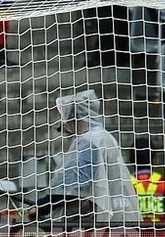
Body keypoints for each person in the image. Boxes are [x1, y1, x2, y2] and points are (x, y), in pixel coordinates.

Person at [28, 90, 140, 225]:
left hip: (92, 224)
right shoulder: (105, 136)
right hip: (117, 219)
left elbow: (70, 186)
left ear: (75, 117)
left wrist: (41, 207)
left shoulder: (87, 141)